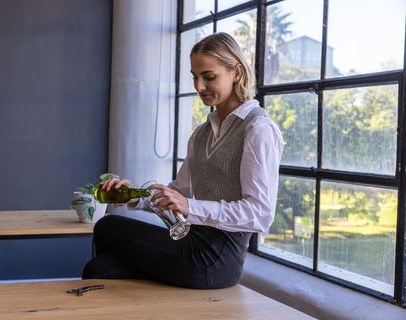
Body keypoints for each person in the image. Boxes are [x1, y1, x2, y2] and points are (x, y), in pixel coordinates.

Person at [82, 32, 284, 289]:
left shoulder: (258, 128)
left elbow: (260, 214)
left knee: (108, 227)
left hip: (218, 259)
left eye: (209, 77)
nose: (199, 87)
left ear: (236, 72)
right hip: (189, 241)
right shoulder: (202, 133)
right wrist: (135, 196)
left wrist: (191, 207)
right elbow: (179, 193)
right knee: (99, 269)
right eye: (195, 77)